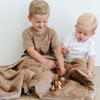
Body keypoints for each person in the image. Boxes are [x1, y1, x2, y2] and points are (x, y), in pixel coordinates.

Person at [22, 0, 66, 76]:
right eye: (38, 22)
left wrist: (62, 66)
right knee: (26, 68)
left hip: (49, 58)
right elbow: (30, 50)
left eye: (44, 21)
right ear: (29, 18)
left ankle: (51, 74)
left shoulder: (51, 32)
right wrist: (45, 62)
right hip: (32, 59)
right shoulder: (26, 33)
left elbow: (57, 49)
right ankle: (42, 76)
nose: (41, 25)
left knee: (70, 64)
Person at [62, 13, 97, 78]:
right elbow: (63, 48)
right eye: (79, 32)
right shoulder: (70, 36)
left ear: (91, 34)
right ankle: (70, 73)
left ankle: (75, 74)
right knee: (58, 63)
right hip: (68, 61)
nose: (81, 35)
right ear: (76, 28)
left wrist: (89, 71)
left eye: (85, 34)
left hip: (80, 63)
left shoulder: (90, 43)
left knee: (82, 65)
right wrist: (65, 50)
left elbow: (91, 58)